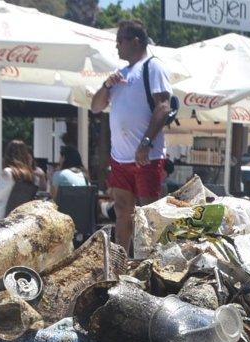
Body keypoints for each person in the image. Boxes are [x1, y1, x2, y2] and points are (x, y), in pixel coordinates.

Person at [90, 19, 173, 253]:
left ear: (136, 41)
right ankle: (121, 260)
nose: (117, 46)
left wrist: (146, 142)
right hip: (120, 158)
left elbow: (163, 107)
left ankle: (152, 260)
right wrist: (106, 85)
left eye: (120, 41)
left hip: (146, 156)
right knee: (122, 211)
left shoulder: (152, 66)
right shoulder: (119, 75)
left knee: (148, 212)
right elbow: (95, 107)